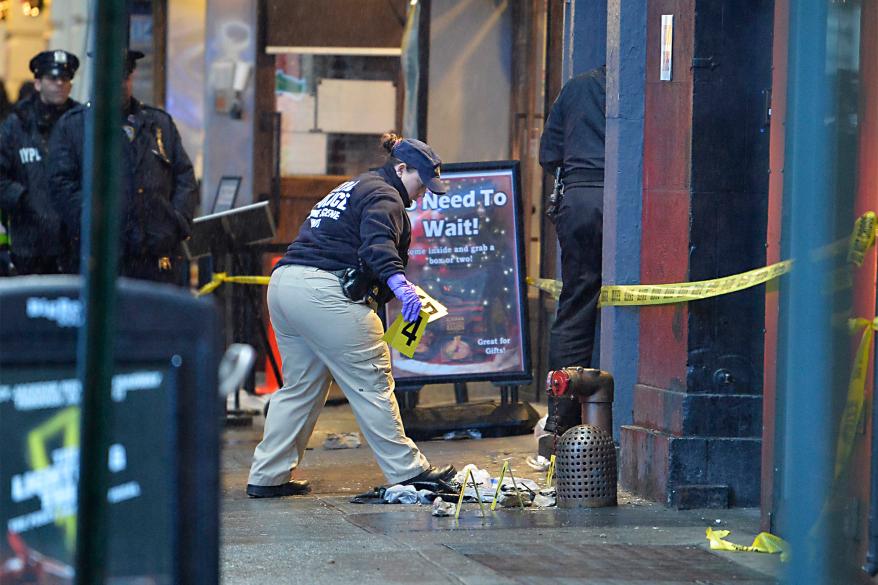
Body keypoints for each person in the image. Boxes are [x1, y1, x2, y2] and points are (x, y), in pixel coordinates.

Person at [246, 133, 455, 497]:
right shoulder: (385, 195)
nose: (422, 195)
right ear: (401, 168)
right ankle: (409, 472)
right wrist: (401, 284)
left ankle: (267, 476)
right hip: (326, 292)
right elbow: (378, 246)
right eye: (421, 183)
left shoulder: (355, 186)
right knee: (372, 381)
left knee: (299, 388)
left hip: (285, 285)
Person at [49, 49, 197, 283]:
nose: (119, 85)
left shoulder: (157, 123)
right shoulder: (75, 126)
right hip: (103, 255)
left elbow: (184, 176)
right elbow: (61, 185)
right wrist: (93, 220)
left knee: (158, 317)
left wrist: (176, 220)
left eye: (124, 77)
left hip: (156, 254)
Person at [537, 65, 607, 452]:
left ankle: (561, 419)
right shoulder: (643, 85)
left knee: (576, 304)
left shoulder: (577, 87)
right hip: (626, 196)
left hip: (579, 201)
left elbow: (549, 155)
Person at [0, 50, 80, 275]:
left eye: (65, 79)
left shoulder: (81, 121)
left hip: (72, 243)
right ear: (38, 83)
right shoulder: (17, 124)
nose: (59, 84)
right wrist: (25, 200)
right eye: (52, 78)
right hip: (29, 245)